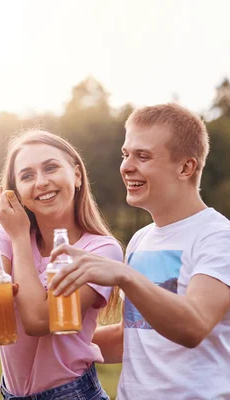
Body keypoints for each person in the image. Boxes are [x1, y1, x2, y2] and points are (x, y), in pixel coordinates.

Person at [49, 103, 230, 399]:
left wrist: (125, 276)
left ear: (186, 167)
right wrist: (38, 339)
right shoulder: (141, 239)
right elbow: (130, 337)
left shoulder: (218, 237)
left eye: (143, 156)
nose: (127, 167)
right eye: (126, 154)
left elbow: (193, 326)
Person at [0, 130, 123, 399]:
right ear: (15, 191)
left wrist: (19, 236)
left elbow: (39, 320)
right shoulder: (0, 237)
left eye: (51, 168)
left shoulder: (101, 250)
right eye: (27, 176)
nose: (41, 182)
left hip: (74, 392)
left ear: (77, 175)